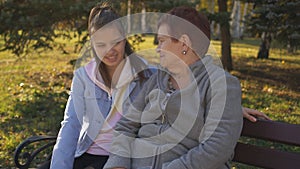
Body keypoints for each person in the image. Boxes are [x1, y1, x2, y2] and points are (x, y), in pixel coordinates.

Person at [104, 7, 245, 169]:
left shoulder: (221, 85)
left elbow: (217, 148)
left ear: (184, 43)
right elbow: (126, 126)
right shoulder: (156, 80)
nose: (157, 48)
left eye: (162, 41)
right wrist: (118, 164)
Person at [48, 4, 154, 169]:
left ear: (124, 38)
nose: (109, 51)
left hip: (123, 159)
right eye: (101, 45)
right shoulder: (84, 76)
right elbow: (71, 124)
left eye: (115, 42)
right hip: (86, 152)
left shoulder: (145, 75)